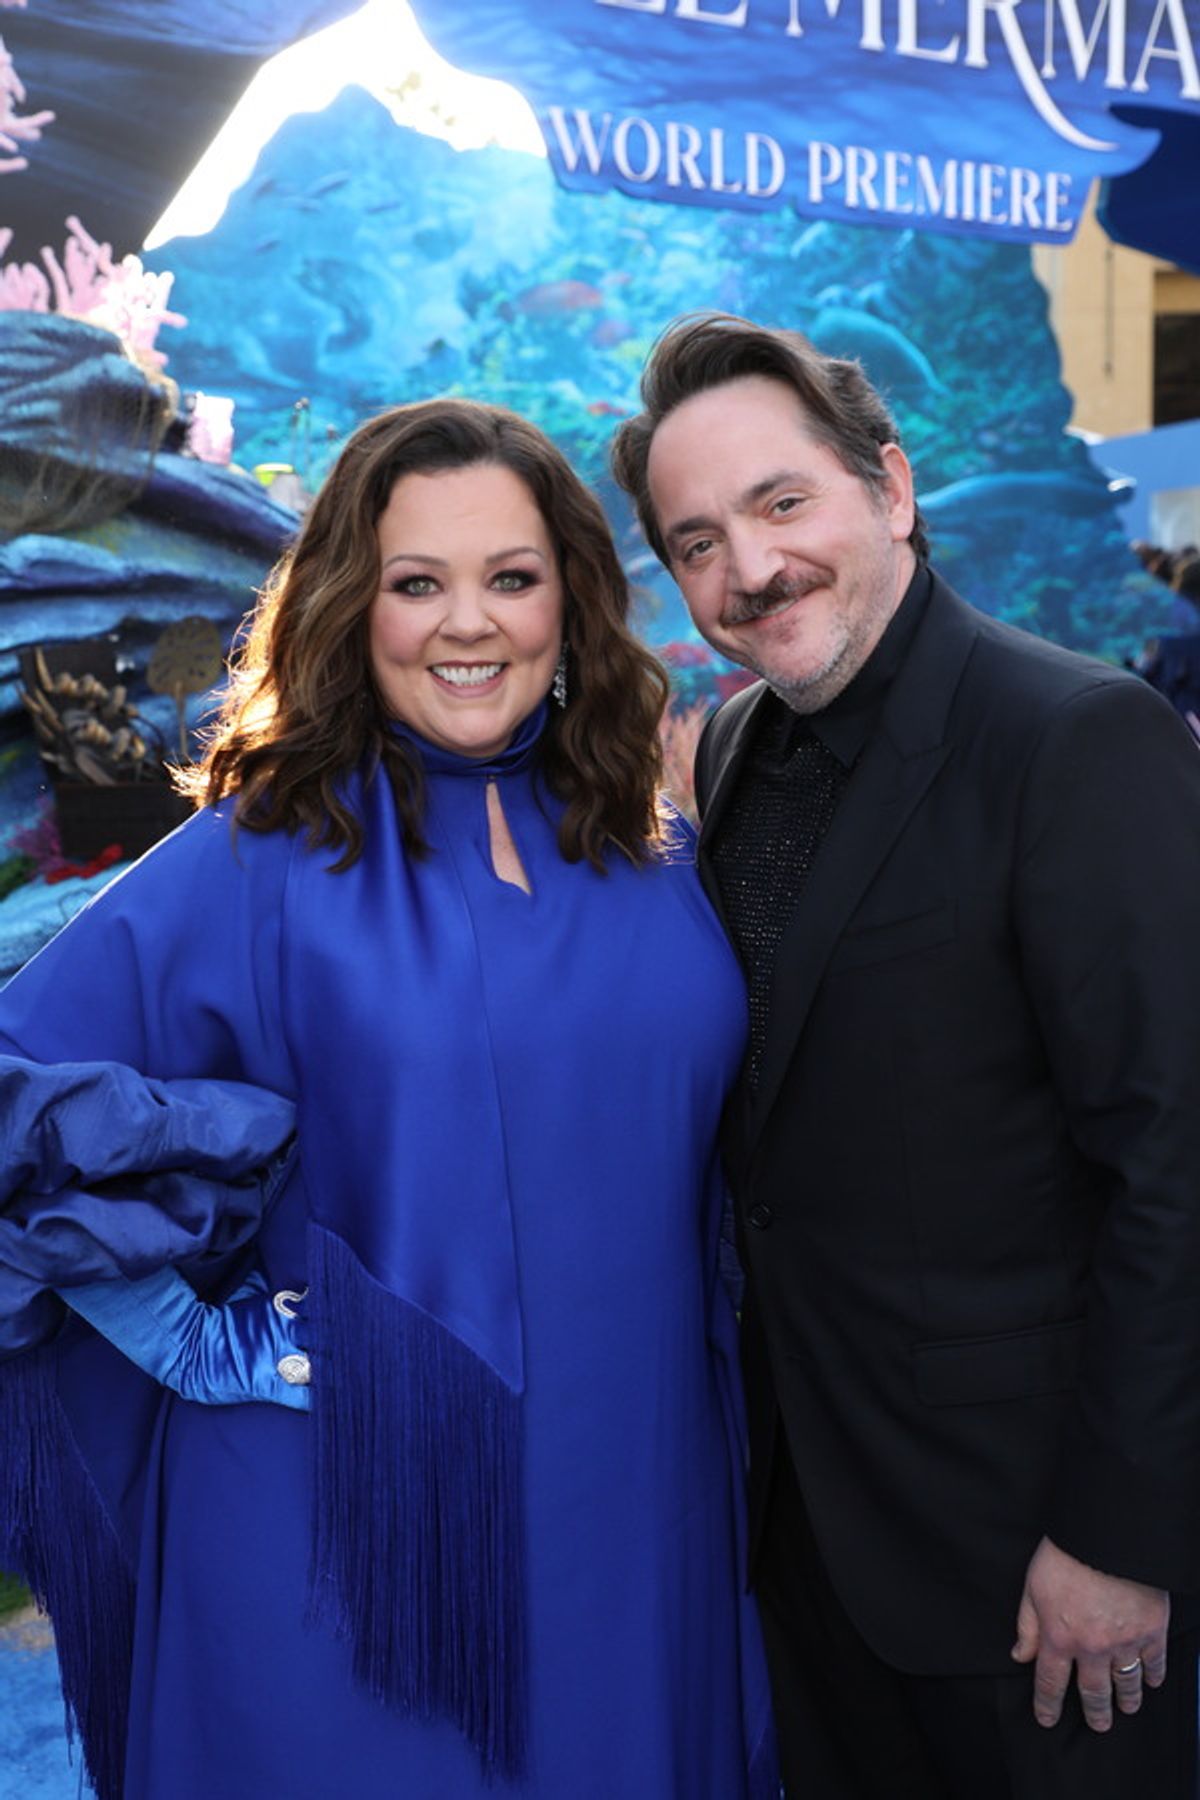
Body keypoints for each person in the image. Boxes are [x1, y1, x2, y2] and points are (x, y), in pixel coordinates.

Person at [0, 399, 776, 1800]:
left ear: (571, 601)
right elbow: (16, 1101)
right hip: (356, 1551)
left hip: (640, 1507)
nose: (466, 624)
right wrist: (184, 1334)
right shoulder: (266, 849)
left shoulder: (644, 838)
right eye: (417, 583)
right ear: (356, 608)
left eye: (511, 578)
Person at [610, 312, 1200, 1799]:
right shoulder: (738, 745)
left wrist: (1122, 1539)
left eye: (781, 503)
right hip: (806, 1535)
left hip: (1034, 1568)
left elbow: (1177, 1169)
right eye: (696, 541)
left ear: (891, 486)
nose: (748, 570)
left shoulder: (1077, 737)